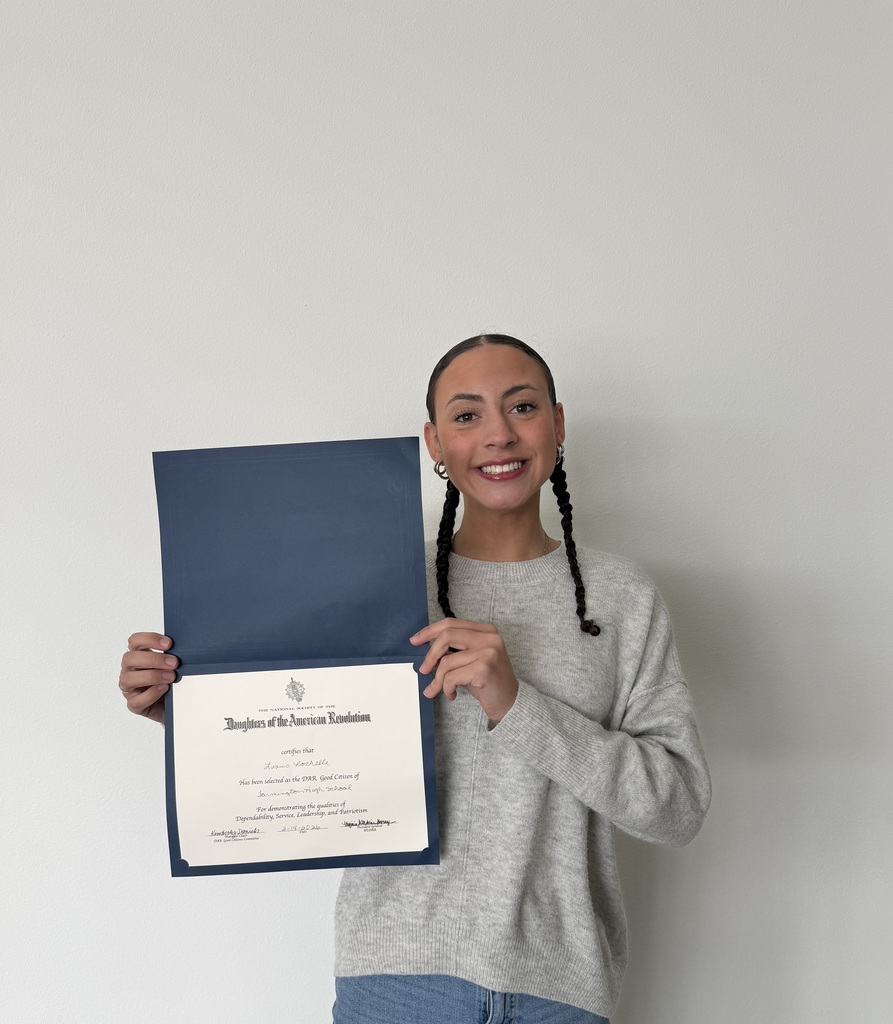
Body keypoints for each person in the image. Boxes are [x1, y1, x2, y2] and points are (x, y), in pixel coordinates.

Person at [119, 334, 711, 1024]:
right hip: (395, 981)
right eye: (467, 415)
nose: (498, 433)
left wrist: (517, 705)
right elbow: (301, 733)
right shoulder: (373, 583)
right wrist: (189, 712)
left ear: (557, 423)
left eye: (521, 406)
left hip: (560, 988)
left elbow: (677, 809)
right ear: (434, 443)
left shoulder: (621, 598)